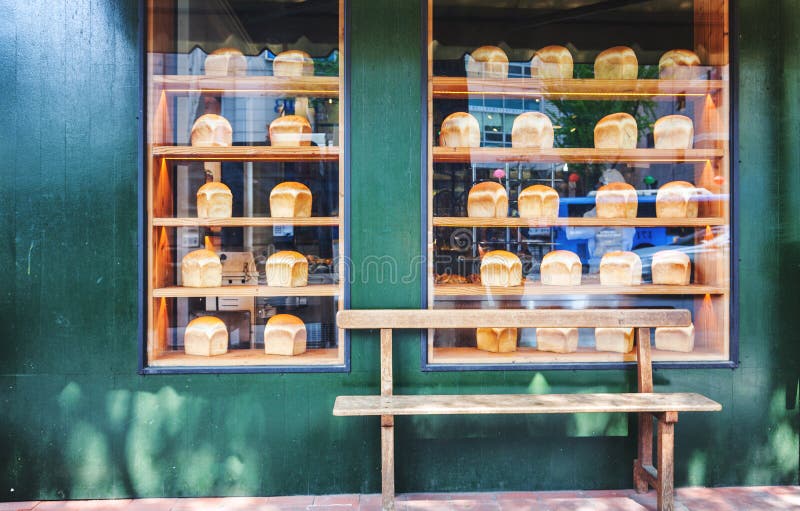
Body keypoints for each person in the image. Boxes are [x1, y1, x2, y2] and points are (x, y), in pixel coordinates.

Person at [565, 168, 636, 273]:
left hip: (609, 265)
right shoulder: (623, 210)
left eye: (602, 185)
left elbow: (575, 233)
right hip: (608, 264)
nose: (598, 189)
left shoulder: (618, 212)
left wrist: (565, 224)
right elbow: (573, 232)